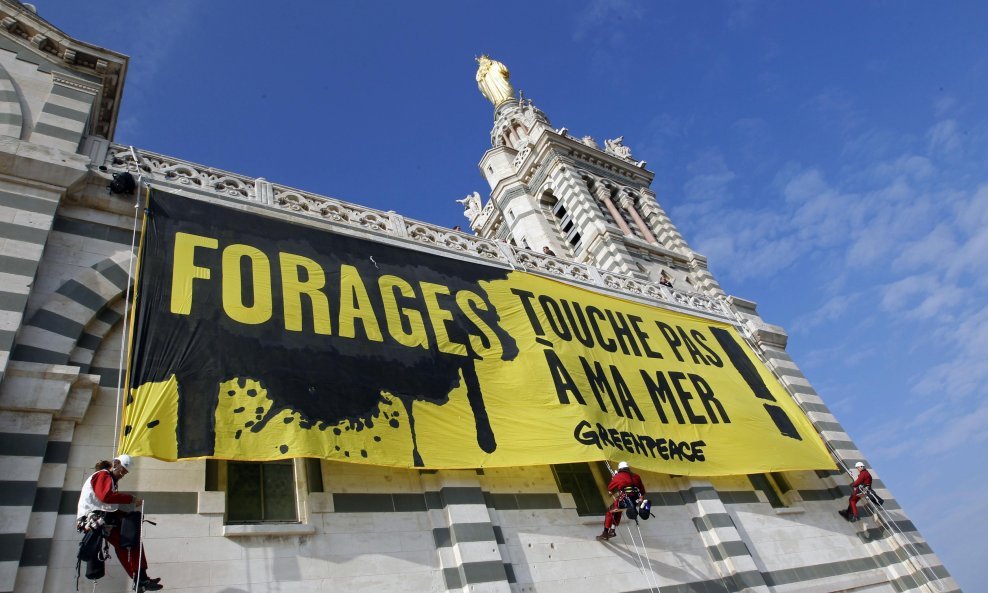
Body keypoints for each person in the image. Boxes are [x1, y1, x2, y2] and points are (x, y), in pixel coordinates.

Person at [77, 455, 162, 591]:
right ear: (115, 464)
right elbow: (105, 497)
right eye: (122, 471)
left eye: (125, 473)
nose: (122, 475)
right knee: (130, 542)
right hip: (96, 519)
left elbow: (108, 504)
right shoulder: (103, 475)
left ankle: (140, 579)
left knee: (128, 544)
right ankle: (141, 579)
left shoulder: (109, 479)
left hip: (102, 518)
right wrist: (130, 499)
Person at [597, 461, 646, 540]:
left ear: (620, 469)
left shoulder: (619, 476)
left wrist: (614, 478)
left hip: (624, 500)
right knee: (618, 510)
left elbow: (610, 488)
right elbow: (642, 491)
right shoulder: (636, 476)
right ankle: (612, 530)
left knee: (610, 511)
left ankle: (605, 532)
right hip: (634, 502)